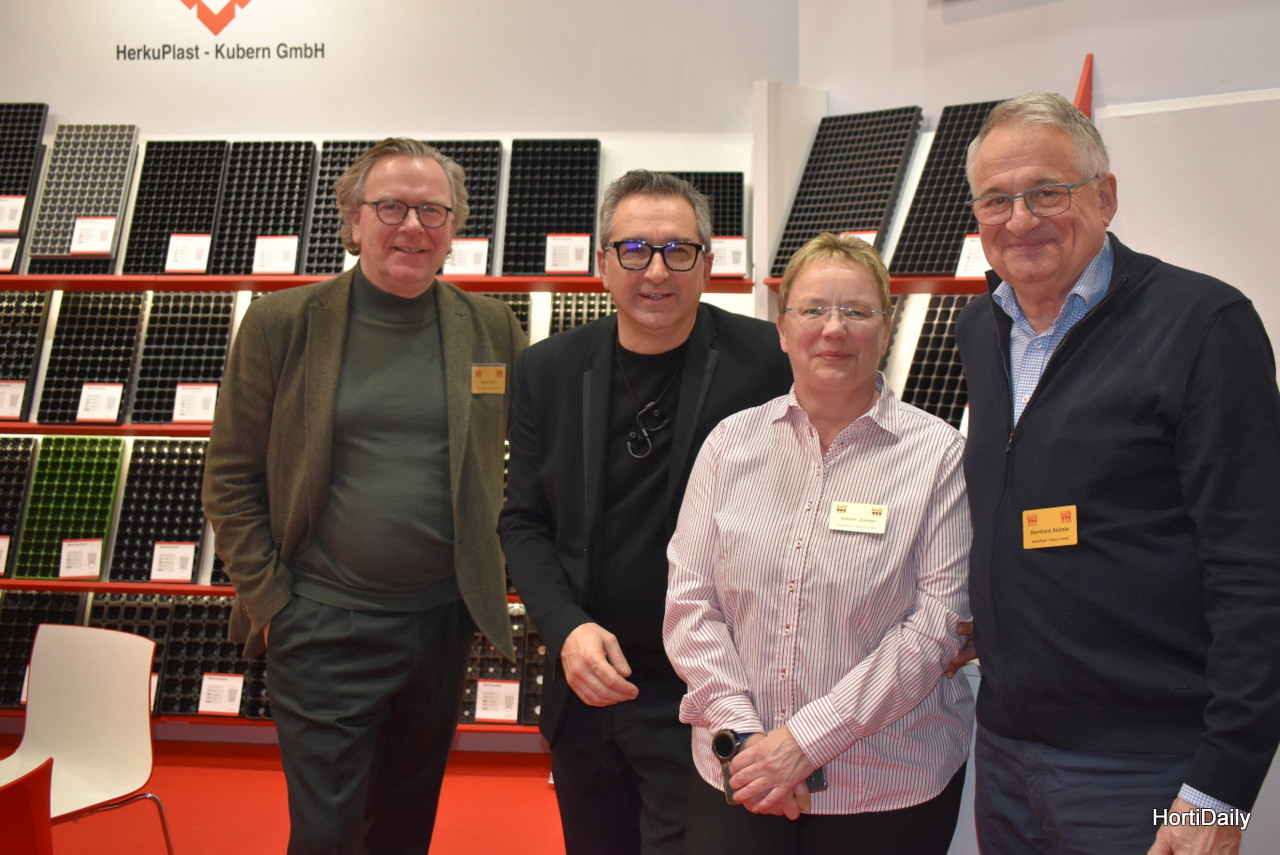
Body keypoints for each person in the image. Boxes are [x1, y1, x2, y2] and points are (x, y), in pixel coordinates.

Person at [956, 92, 1280, 855]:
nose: (1020, 219)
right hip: (1004, 754)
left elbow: (1257, 570)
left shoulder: (1204, 325)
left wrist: (1219, 795)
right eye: (997, 199)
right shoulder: (982, 326)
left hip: (1147, 770)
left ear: (1105, 196)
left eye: (1047, 192)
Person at [201, 137, 525, 855]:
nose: (413, 226)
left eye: (432, 210)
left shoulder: (491, 327)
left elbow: (531, 456)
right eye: (391, 207)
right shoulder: (282, 323)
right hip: (321, 621)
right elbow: (229, 475)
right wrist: (272, 601)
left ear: (454, 226)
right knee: (328, 835)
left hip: (440, 624)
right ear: (353, 219)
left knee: (404, 826)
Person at [500, 169, 793, 854]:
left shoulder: (769, 361)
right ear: (603, 264)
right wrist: (565, 627)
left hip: (711, 690)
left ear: (708, 264)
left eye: (677, 250)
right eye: (634, 250)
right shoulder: (548, 369)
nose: (656, 271)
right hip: (589, 687)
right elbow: (523, 521)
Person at [662, 233, 974, 855]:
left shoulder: (940, 456)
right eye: (812, 310)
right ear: (782, 329)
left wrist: (802, 744)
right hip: (739, 778)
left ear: (886, 328)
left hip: (886, 788)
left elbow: (937, 625)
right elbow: (691, 605)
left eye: (856, 311)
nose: (834, 329)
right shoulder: (728, 446)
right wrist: (749, 743)